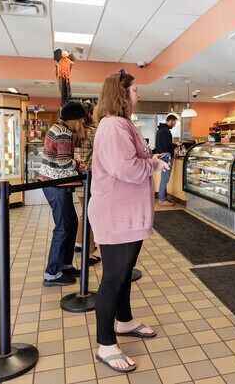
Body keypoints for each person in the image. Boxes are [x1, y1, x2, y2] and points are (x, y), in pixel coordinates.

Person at [89, 69, 169, 372]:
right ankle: (105, 344)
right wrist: (152, 163)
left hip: (126, 214)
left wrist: (149, 160)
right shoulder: (113, 126)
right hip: (116, 214)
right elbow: (127, 168)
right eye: (135, 90)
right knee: (113, 279)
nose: (138, 94)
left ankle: (124, 321)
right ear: (121, 94)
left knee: (123, 274)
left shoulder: (121, 124)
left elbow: (132, 163)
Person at [39, 101, 86, 286]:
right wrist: (77, 164)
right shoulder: (64, 134)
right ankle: (52, 273)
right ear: (74, 119)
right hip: (55, 185)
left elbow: (60, 159)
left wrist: (72, 162)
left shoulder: (56, 128)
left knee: (71, 223)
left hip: (51, 183)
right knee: (63, 227)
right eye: (81, 118)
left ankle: (65, 265)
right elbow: (64, 163)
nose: (82, 122)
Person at [73, 100, 100, 266]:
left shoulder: (75, 131)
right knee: (90, 215)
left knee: (84, 212)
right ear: (90, 115)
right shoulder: (93, 131)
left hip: (78, 176)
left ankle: (79, 242)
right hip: (91, 178)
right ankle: (89, 252)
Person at [154, 114, 179, 206]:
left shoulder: (161, 129)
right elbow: (167, 146)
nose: (175, 125)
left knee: (164, 177)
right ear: (171, 121)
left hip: (162, 155)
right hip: (166, 155)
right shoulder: (165, 131)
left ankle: (163, 197)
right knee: (165, 178)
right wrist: (175, 144)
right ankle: (162, 199)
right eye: (174, 123)